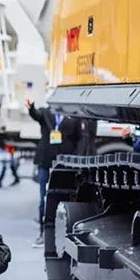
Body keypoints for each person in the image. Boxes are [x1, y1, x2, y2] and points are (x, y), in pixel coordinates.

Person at [26, 100, 79, 247]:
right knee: (43, 199)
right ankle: (43, 234)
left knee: (64, 198)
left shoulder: (73, 116)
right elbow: (36, 115)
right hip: (46, 161)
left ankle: (65, 233)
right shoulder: (46, 113)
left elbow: (77, 139)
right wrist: (31, 108)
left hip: (64, 163)